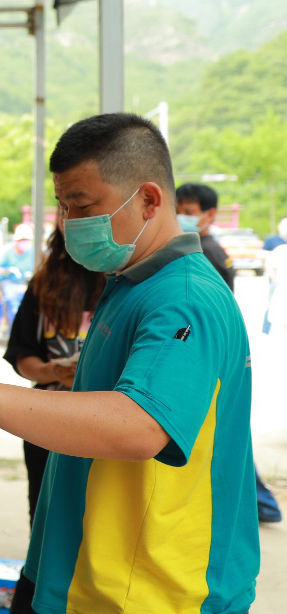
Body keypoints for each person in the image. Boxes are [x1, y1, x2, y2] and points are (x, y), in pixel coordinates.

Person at [0, 113, 258, 613]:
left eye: (82, 205)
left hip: (147, 593)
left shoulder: (182, 299)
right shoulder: (130, 282)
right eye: (63, 206)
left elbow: (138, 427)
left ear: (148, 199)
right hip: (73, 571)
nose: (69, 223)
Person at [179, 184, 281, 524]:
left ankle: (261, 504)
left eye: (189, 211)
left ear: (209, 214)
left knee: (224, 440)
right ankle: (260, 504)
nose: (182, 215)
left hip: (212, 362)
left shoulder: (206, 253)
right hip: (216, 362)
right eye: (179, 208)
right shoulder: (204, 248)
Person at [3, 225, 103, 528]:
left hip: (105, 423)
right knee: (45, 519)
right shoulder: (44, 285)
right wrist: (52, 370)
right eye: (64, 207)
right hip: (47, 420)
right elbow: (22, 357)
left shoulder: (128, 288)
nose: (72, 217)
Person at [176, 182, 234, 290]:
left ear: (211, 214)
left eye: (189, 212)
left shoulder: (203, 251)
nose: (180, 217)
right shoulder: (211, 247)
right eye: (177, 212)